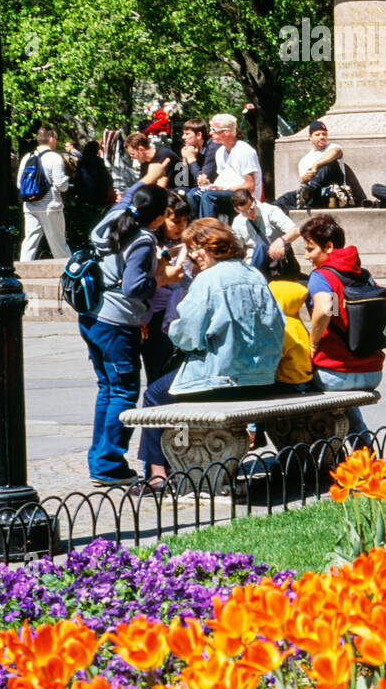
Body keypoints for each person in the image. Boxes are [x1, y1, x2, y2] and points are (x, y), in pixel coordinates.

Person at [135, 219, 284, 488]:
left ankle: (158, 474)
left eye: (196, 247)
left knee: (155, 396)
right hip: (261, 380)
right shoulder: (255, 276)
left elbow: (186, 336)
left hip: (220, 380)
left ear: (213, 244)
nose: (192, 255)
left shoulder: (208, 280)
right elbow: (278, 325)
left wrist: (182, 333)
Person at [78, 184, 179, 484]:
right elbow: (132, 287)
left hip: (92, 315)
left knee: (108, 388)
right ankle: (108, 464)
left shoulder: (113, 220)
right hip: (117, 321)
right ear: (159, 218)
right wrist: (163, 279)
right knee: (122, 391)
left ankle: (101, 462)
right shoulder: (143, 240)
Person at [301, 214, 384, 447]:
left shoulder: (321, 275)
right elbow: (337, 310)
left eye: (310, 249)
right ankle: (363, 454)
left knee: (294, 385)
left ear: (328, 247)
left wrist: (313, 343)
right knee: (348, 409)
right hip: (372, 371)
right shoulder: (363, 274)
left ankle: (313, 455)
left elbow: (327, 307)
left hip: (335, 374)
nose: (306, 256)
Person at [140, 191, 194, 386]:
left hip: (185, 311)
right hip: (157, 314)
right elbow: (173, 273)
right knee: (157, 366)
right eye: (175, 221)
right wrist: (178, 253)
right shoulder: (151, 244)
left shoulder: (192, 242)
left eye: (185, 221)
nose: (181, 227)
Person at [17, 126, 71, 261]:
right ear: (51, 138)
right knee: (58, 242)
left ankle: (24, 270)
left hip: (30, 206)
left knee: (29, 241)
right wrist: (67, 182)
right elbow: (61, 185)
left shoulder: (27, 157)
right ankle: (69, 273)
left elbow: (20, 183)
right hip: (51, 206)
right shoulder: (55, 158)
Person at [196, 114, 262, 219]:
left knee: (209, 196)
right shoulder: (220, 152)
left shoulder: (244, 151)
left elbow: (249, 186)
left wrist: (223, 188)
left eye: (214, 130)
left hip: (245, 197)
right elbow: (225, 179)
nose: (210, 133)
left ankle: (210, 232)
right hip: (229, 194)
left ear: (227, 132)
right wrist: (210, 185)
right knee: (195, 195)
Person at [275, 120, 349, 212]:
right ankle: (304, 201)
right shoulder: (305, 160)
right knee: (284, 199)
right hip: (315, 195)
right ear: (310, 137)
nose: (322, 137)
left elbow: (337, 152)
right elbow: (303, 181)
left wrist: (316, 165)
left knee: (328, 165)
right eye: (317, 135)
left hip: (332, 193)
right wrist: (305, 178)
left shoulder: (333, 147)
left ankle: (308, 196)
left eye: (324, 134)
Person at [231, 187, 301, 279]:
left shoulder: (270, 211)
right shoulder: (237, 222)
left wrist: (281, 240)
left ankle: (251, 279)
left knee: (261, 248)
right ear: (237, 210)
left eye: (251, 208)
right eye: (244, 212)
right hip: (253, 263)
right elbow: (236, 251)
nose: (250, 214)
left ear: (254, 200)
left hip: (276, 261)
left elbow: (295, 231)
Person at [73, 140, 115, 208]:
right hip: (98, 193)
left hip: (84, 193)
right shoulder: (98, 161)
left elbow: (78, 177)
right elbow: (105, 177)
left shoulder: (81, 161)